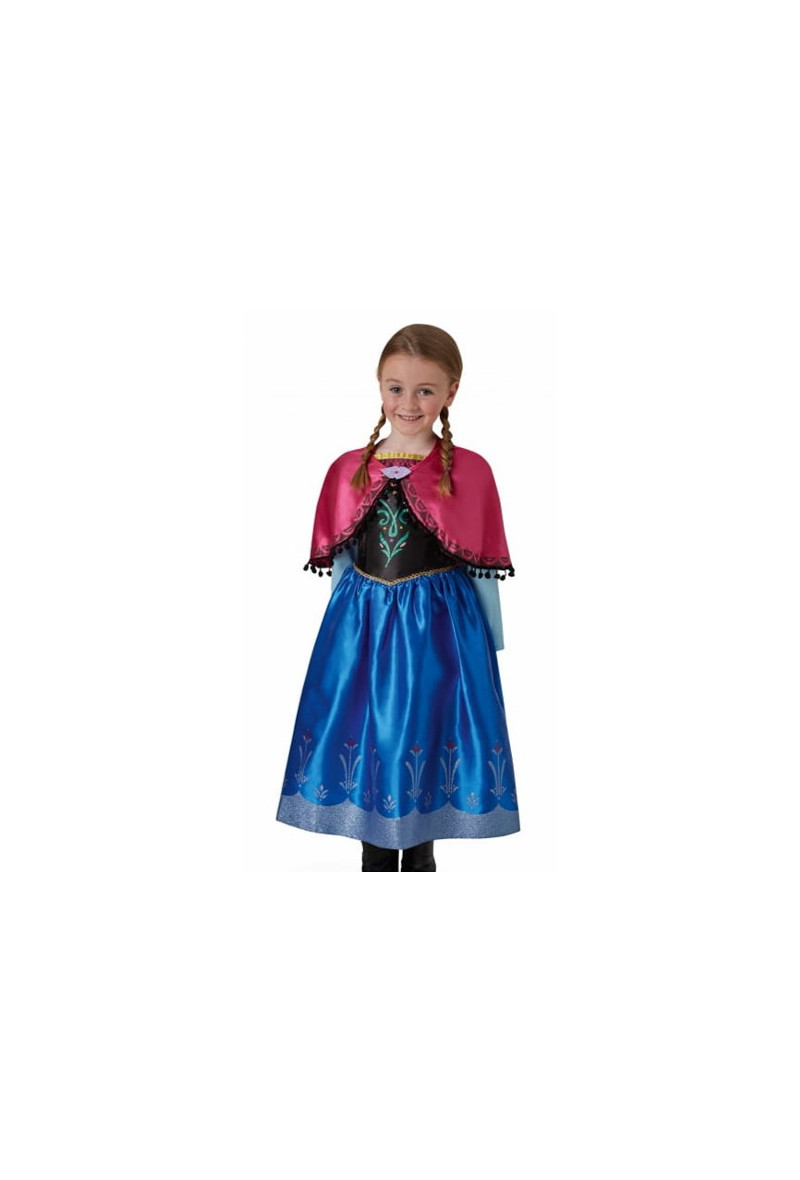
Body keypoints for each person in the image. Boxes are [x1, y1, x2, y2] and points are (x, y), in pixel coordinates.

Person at [276, 324, 519, 871]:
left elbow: (482, 566)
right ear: (379, 387)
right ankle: (377, 858)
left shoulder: (470, 471)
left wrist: (487, 649)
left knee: (427, 742)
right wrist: (340, 643)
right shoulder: (349, 469)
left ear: (451, 391)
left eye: (425, 390)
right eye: (396, 388)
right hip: (363, 630)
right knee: (373, 747)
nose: (408, 403)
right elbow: (342, 562)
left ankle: (422, 854)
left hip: (440, 633)